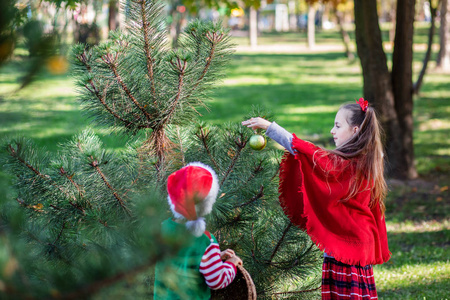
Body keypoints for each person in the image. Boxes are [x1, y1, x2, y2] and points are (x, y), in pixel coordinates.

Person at [242, 98, 391, 299]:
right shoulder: (368, 160)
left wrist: (270, 128)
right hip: (357, 249)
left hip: (345, 251)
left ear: (355, 131)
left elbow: (310, 154)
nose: (332, 130)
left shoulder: (346, 166)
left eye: (338, 125)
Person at [154, 162, 243, 300]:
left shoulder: (163, 227)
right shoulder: (205, 241)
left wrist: (216, 257)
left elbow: (182, 260)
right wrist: (232, 263)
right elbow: (217, 281)